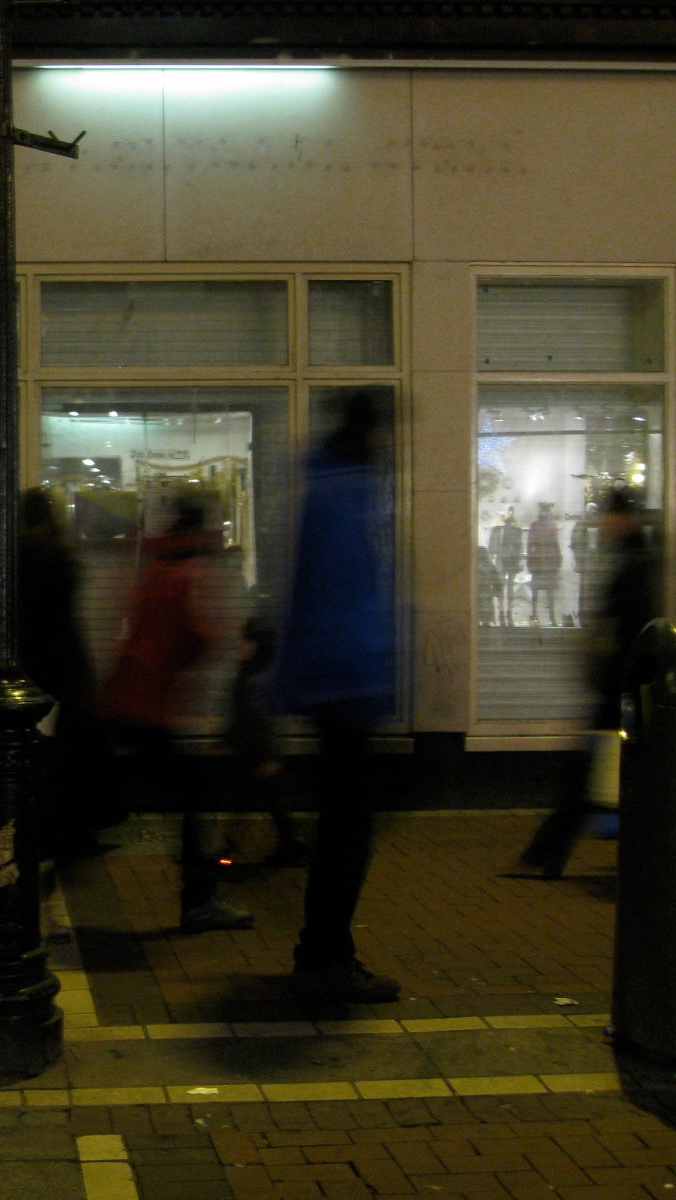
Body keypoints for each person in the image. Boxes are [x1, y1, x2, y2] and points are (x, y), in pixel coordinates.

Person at [274, 387, 399, 1003]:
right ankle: (325, 956)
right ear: (370, 435)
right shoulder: (348, 494)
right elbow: (347, 601)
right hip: (346, 690)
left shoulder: (331, 488)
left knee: (341, 830)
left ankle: (323, 951)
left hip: (335, 687)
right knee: (347, 834)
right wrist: (374, 679)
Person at [102, 493, 251, 933]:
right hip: (146, 706)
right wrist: (219, 637)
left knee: (177, 797)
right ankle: (199, 900)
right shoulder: (182, 575)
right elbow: (187, 637)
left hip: (131, 701)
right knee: (193, 801)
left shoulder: (156, 568)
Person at [518, 485, 657, 878]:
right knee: (593, 776)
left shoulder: (635, 564)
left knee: (585, 777)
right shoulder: (632, 558)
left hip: (618, 690)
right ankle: (543, 855)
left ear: (624, 517)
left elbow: (633, 631)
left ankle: (543, 855)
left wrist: (612, 676)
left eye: (608, 514)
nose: (600, 522)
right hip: (619, 688)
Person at [18, 487, 115, 853]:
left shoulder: (22, 555)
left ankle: (45, 823)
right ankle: (75, 825)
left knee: (40, 747)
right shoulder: (60, 552)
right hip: (66, 660)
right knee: (75, 747)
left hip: (35, 661)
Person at [228, 617, 308, 867]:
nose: (241, 646)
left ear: (258, 646)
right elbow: (242, 714)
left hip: (260, 753)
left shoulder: (258, 680)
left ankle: (290, 846)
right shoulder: (249, 674)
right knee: (261, 801)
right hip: (251, 749)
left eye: (247, 641)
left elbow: (267, 722)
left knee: (265, 800)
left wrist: (272, 757)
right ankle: (290, 846)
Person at [526, 502, 562, 626]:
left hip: (548, 561)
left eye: (546, 510)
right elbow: (530, 545)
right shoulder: (535, 526)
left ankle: (551, 615)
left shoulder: (552, 526)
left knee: (550, 590)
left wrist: (558, 560)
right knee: (537, 590)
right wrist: (530, 561)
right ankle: (535, 614)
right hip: (539, 561)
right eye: (543, 510)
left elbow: (556, 544)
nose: (544, 513)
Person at [489, 510, 524, 627]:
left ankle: (504, 613)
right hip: (507, 561)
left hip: (504, 560)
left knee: (504, 587)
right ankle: (505, 613)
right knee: (507, 587)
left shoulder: (499, 530)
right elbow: (519, 547)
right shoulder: (514, 531)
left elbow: (492, 548)